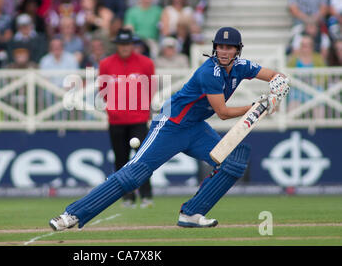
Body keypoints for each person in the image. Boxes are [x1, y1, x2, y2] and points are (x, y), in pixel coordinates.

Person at [49, 27, 290, 230]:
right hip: (171, 124)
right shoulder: (210, 71)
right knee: (134, 175)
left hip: (195, 128)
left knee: (233, 162)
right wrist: (258, 106)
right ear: (215, 48)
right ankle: (73, 215)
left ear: (238, 50)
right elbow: (223, 113)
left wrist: (279, 85)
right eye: (220, 47)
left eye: (230, 48)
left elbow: (275, 76)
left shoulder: (243, 66)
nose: (224, 51)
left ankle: (191, 214)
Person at [97, 28, 155, 208]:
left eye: (127, 44)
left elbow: (150, 88)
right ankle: (127, 197)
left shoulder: (145, 63)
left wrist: (140, 108)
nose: (124, 48)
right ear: (117, 46)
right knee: (120, 160)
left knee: (142, 159)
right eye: (121, 44)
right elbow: (103, 90)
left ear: (133, 45)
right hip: (116, 120)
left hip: (138, 118)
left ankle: (146, 195)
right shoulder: (106, 64)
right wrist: (116, 108)